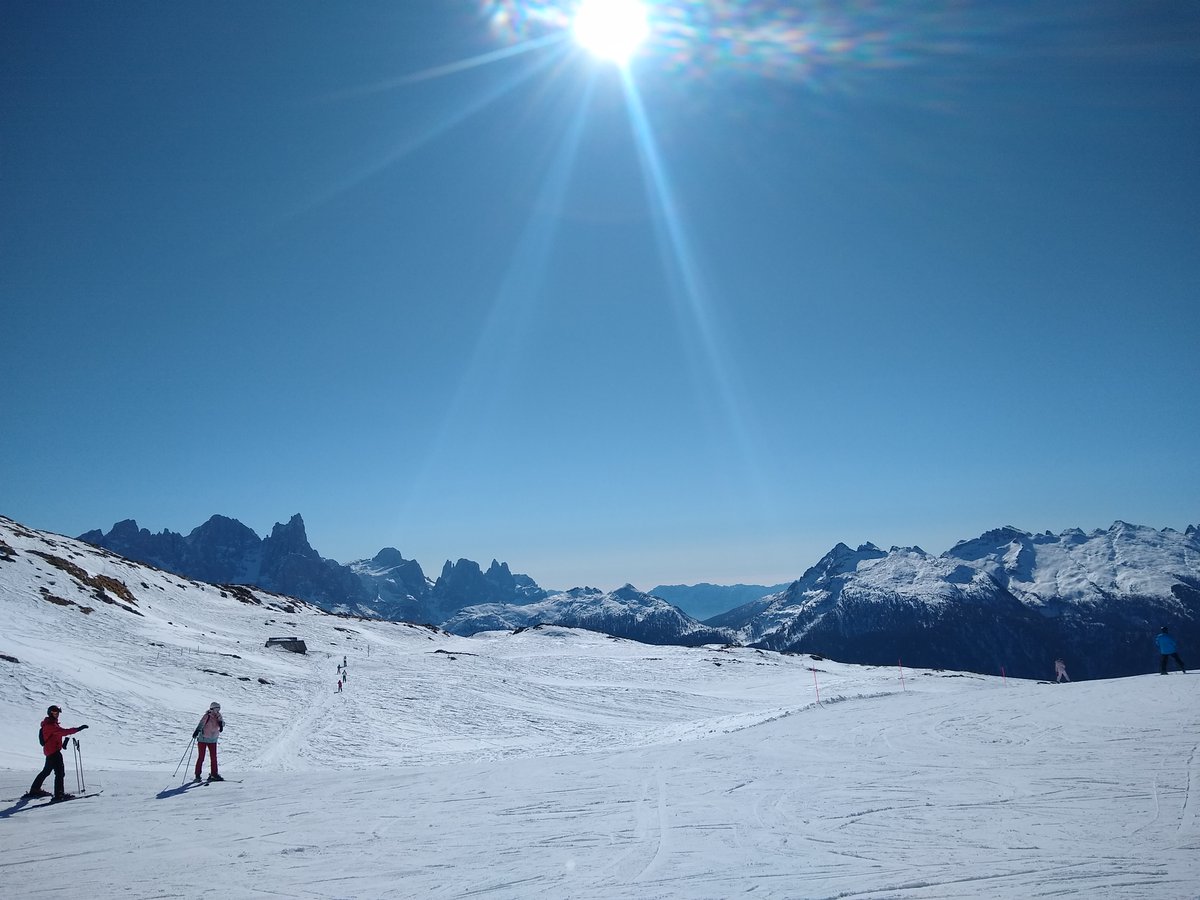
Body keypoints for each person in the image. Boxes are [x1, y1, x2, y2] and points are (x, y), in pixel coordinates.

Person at [26, 705, 88, 801]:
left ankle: (35, 790)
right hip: (53, 752)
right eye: (55, 713)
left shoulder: (50, 724)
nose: (57, 714)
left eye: (58, 713)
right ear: (50, 713)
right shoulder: (50, 725)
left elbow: (58, 734)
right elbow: (63, 732)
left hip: (50, 751)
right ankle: (59, 795)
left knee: (46, 771)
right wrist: (78, 729)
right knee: (59, 773)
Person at [192, 702, 225, 782]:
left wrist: (221, 724)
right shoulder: (207, 716)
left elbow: (223, 724)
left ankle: (214, 774)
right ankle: (197, 775)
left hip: (213, 739)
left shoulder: (219, 717)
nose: (218, 711)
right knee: (201, 757)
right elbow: (201, 724)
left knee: (214, 757)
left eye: (219, 709)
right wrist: (197, 731)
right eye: (216, 709)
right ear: (212, 708)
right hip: (203, 739)